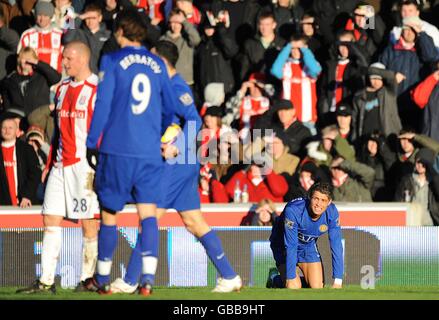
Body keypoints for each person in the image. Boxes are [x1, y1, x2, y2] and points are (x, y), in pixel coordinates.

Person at [109, 40, 242, 294]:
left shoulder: (177, 85)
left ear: (161, 59)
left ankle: (129, 281)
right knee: (193, 221)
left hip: (176, 164)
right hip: (179, 164)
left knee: (149, 218)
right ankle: (229, 276)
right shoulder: (162, 84)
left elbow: (194, 119)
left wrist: (176, 147)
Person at [83, 9, 194, 296]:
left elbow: (103, 105)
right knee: (147, 214)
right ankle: (147, 279)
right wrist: (155, 133)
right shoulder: (157, 64)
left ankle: (103, 278)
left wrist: (92, 141)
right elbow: (171, 107)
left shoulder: (113, 60)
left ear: (120, 31)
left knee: (110, 213)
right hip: (148, 153)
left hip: (118, 150)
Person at [16, 41, 100, 294]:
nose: (63, 63)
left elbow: (104, 130)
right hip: (60, 164)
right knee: (50, 218)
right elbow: (60, 132)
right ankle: (46, 281)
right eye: (63, 58)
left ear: (83, 60)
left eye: (68, 59)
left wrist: (101, 166)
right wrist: (51, 161)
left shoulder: (97, 89)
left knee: (88, 222)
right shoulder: (61, 88)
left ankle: (88, 278)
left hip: (84, 166)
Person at [267, 182, 343, 289]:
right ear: (309, 197)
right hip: (283, 245)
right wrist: (290, 278)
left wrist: (338, 281)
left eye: (323, 200)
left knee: (317, 287)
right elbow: (291, 245)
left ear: (329, 202)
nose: (318, 204)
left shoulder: (332, 213)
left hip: (307, 246)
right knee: (293, 286)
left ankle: (297, 280)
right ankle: (274, 278)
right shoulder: (293, 211)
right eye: (316, 198)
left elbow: (336, 245)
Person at [0, 113, 41, 206]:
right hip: (3, 206)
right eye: (4, 128)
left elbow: (35, 173)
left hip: (24, 204)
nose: (7, 130)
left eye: (10, 128)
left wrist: (27, 195)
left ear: (16, 131)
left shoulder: (27, 149)